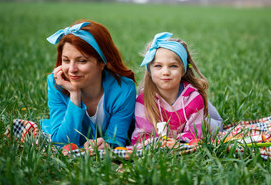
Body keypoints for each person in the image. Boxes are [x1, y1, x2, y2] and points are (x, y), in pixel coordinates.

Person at [40, 20, 136, 151]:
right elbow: (62, 143)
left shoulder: (123, 89)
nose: (71, 69)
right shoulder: (56, 84)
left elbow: (116, 139)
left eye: (82, 61)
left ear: (101, 63)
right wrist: (75, 95)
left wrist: (107, 144)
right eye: (66, 60)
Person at [131, 32, 213, 149]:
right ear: (149, 70)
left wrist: (178, 143)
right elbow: (140, 137)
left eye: (173, 66)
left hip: (187, 136)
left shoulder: (194, 99)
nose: (165, 72)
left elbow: (196, 134)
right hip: (157, 144)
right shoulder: (144, 100)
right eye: (158, 66)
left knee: (213, 126)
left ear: (183, 70)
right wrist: (160, 143)